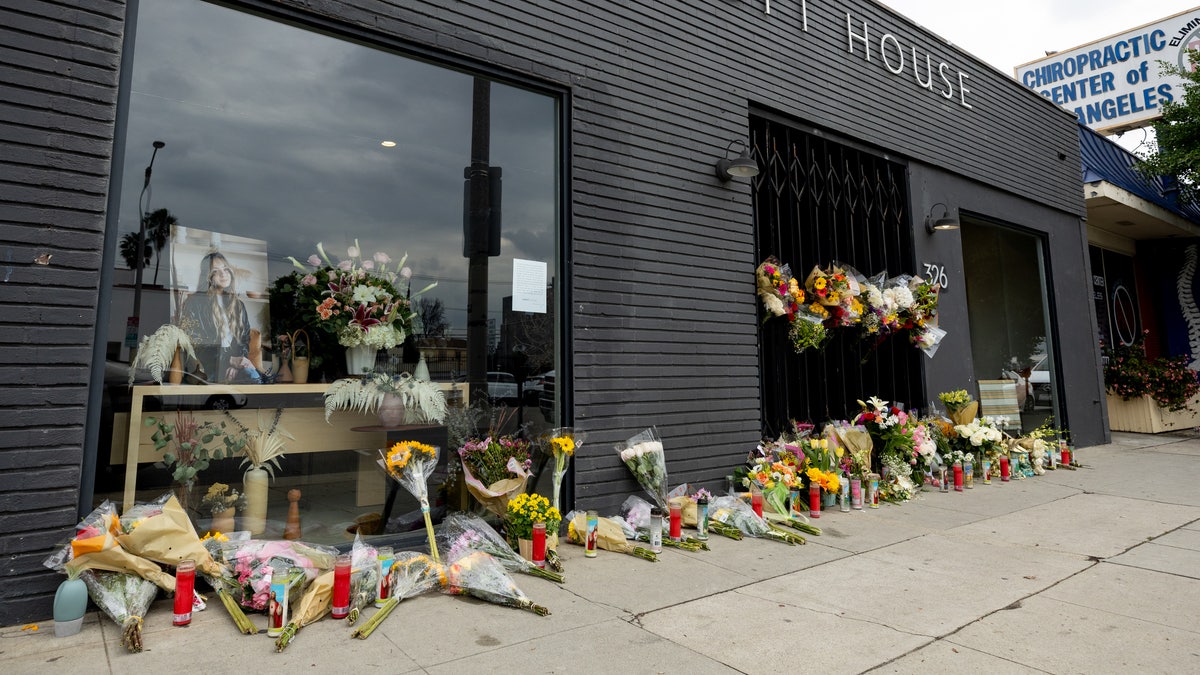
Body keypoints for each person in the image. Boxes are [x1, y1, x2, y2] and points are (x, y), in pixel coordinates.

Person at [180, 251, 255, 383]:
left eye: (225, 269)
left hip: (233, 365)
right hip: (207, 367)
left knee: (252, 376)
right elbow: (196, 344)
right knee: (252, 378)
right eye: (216, 271)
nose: (223, 273)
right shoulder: (195, 303)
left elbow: (244, 339)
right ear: (208, 276)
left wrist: (237, 364)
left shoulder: (238, 305)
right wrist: (230, 360)